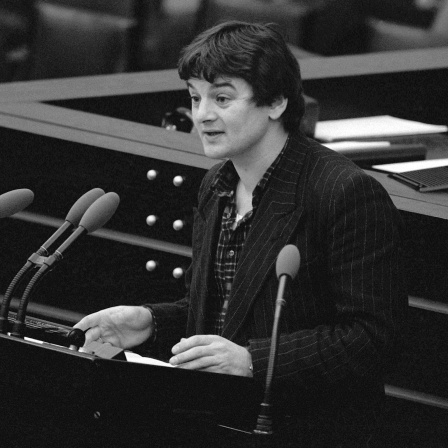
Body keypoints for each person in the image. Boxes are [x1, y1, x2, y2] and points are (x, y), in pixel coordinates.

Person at [74, 20, 407, 447]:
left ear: (276, 102)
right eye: (195, 98)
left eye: (222, 98)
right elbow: (227, 309)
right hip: (217, 419)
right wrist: (151, 322)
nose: (202, 115)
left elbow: (373, 338)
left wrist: (254, 361)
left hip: (307, 428)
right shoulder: (216, 184)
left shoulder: (345, 193)